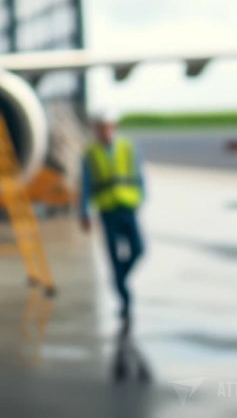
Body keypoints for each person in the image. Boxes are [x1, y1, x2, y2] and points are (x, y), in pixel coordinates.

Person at [79, 109, 146, 329]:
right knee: (114, 257)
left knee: (138, 249)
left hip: (127, 206)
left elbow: (138, 173)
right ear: (97, 130)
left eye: (109, 127)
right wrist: (84, 212)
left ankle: (120, 280)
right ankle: (125, 300)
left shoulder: (126, 146)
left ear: (114, 127)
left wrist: (141, 198)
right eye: (102, 127)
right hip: (107, 211)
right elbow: (85, 185)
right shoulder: (90, 153)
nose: (105, 131)